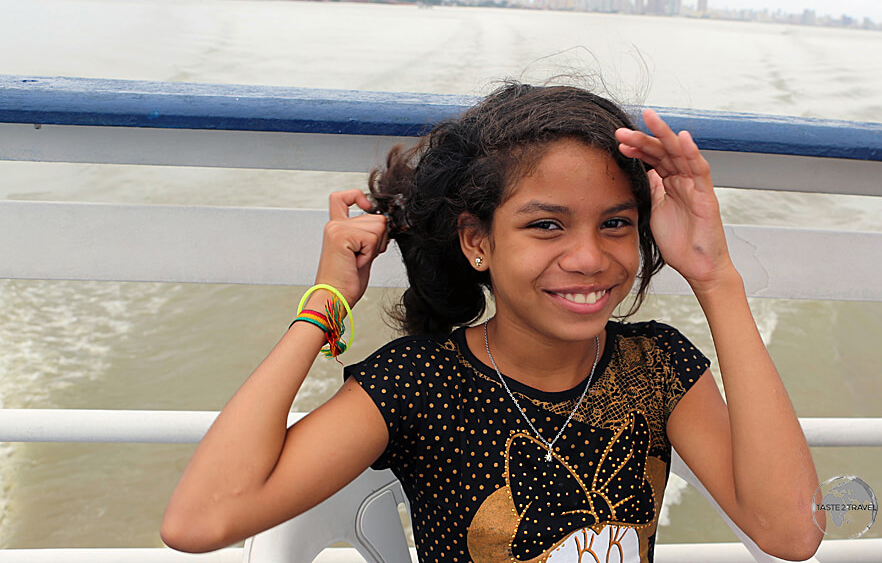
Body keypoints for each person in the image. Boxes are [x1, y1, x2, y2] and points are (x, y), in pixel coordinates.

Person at [161, 82, 823, 562]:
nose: (590, 258)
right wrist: (327, 300)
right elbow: (200, 521)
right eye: (546, 225)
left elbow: (791, 533)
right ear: (478, 242)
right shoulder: (420, 384)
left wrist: (716, 277)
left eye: (615, 224)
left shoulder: (655, 368)